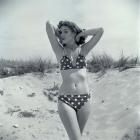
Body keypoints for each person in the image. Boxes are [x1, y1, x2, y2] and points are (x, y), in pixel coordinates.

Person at [46, 20, 104, 140]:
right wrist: (61, 35)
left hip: (85, 100)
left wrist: (81, 33)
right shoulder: (59, 51)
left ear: (74, 33)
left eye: (66, 31)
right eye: (60, 32)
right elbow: (48, 25)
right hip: (65, 100)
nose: (62, 34)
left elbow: (100, 31)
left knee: (77, 136)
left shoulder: (83, 50)